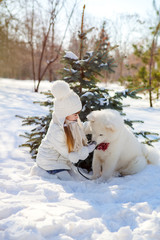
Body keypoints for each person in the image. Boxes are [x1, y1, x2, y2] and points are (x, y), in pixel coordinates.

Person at [35, 80, 96, 180]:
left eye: (78, 113)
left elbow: (81, 128)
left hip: (62, 162)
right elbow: (68, 153)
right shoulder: (56, 131)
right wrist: (87, 149)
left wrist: (93, 126)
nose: (77, 117)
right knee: (70, 181)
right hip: (49, 162)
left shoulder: (70, 120)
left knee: (76, 178)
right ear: (65, 114)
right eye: (75, 114)